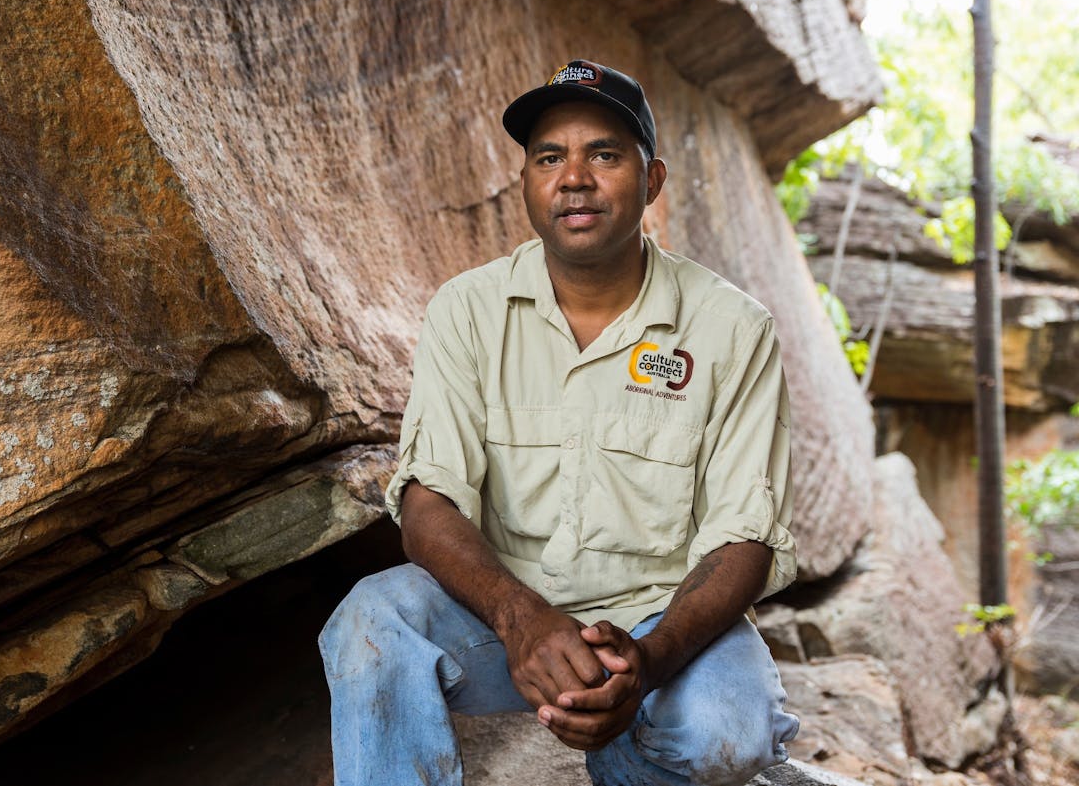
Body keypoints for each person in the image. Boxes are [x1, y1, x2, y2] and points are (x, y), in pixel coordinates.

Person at [320, 59, 799, 786]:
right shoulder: (468, 310)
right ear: (527, 184)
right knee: (368, 622)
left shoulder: (732, 329)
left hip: (660, 624)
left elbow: (744, 538)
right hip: (500, 616)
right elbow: (426, 503)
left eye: (603, 154)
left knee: (727, 731)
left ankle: (622, 748)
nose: (573, 177)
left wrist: (647, 664)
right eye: (550, 157)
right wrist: (521, 617)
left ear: (653, 181)